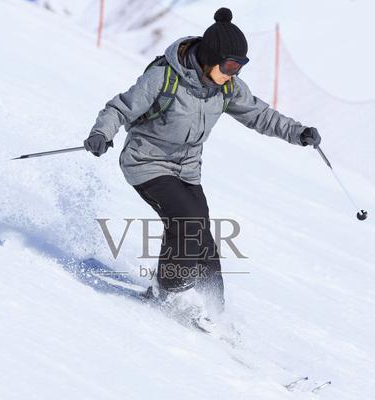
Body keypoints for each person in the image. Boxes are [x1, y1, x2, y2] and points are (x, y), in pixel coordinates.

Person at [84, 7, 321, 319]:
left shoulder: (226, 86)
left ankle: (215, 314)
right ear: (209, 57)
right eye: (229, 65)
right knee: (188, 224)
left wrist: (298, 132)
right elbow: (121, 107)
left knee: (205, 243)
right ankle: (166, 291)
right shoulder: (164, 77)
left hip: (187, 170)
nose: (233, 72)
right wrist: (102, 132)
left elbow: (259, 114)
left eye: (240, 66)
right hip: (147, 162)